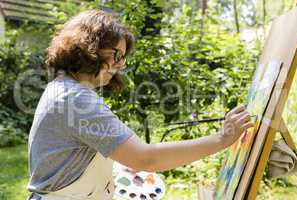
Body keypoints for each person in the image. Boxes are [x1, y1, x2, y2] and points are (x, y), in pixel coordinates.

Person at [27, 9, 253, 200]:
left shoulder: (64, 88)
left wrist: (120, 163)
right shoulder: (76, 99)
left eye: (123, 57)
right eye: (117, 54)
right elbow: (147, 158)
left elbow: (73, 155)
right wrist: (222, 139)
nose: (120, 65)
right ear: (89, 46)